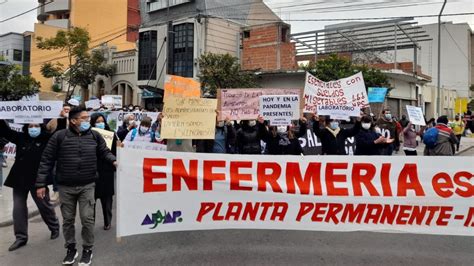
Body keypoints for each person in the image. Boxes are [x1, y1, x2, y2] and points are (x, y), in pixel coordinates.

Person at [36, 107, 116, 265]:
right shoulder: (59, 137)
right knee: (68, 221)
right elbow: (46, 160)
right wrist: (40, 184)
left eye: (88, 118)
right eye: (84, 118)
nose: (88, 121)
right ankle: (71, 249)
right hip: (66, 187)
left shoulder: (95, 135)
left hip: (87, 185)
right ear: (73, 120)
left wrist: (114, 160)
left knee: (87, 219)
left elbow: (104, 152)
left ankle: (87, 249)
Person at [0, 120, 60, 251]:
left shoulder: (47, 139)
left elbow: (59, 133)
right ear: (26, 127)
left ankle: (54, 226)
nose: (33, 128)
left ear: (41, 127)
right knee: (18, 208)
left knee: (44, 205)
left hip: (38, 181)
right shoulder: (21, 137)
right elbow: (5, 131)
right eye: (31, 126)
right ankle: (21, 237)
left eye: (36, 126)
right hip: (19, 179)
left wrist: (60, 117)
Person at [90, 113, 117, 231]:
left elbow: (114, 152)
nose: (100, 123)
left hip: (107, 170)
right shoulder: (88, 135)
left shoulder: (111, 134)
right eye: (97, 121)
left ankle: (107, 221)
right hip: (92, 170)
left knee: (107, 199)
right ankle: (90, 223)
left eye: (102, 121)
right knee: (91, 200)